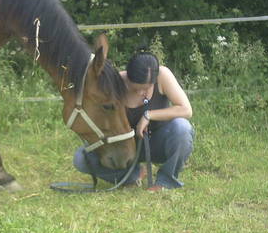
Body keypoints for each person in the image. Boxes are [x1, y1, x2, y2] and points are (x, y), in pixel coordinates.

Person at [73, 50, 194, 191]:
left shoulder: (163, 75)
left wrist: (149, 115)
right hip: (124, 146)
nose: (141, 93)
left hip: (158, 141)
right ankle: (133, 175)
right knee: (81, 159)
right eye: (136, 88)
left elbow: (186, 110)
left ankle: (166, 181)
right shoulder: (113, 83)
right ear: (128, 77)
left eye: (146, 88)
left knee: (182, 128)